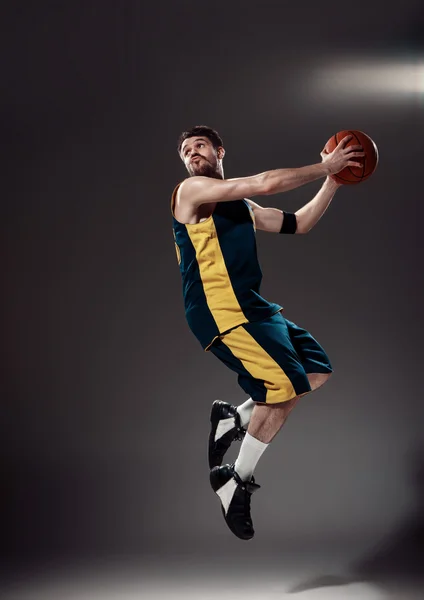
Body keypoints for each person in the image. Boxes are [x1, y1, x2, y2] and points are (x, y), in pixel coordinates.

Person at [171, 125, 364, 540]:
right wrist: (324, 164)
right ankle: (235, 480)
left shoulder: (242, 205)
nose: (192, 154)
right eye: (186, 150)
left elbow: (300, 223)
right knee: (281, 385)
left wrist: (332, 181)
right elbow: (265, 181)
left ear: (220, 150)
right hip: (218, 310)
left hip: (252, 306)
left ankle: (232, 418)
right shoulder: (189, 193)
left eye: (200, 145)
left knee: (315, 371)